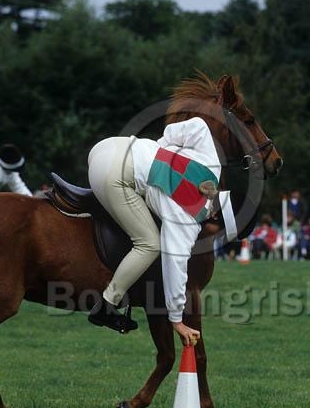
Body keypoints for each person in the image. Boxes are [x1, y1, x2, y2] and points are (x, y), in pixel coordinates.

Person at [87, 117, 238, 346]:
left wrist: (162, 146)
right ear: (216, 218)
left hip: (110, 145)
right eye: (218, 232)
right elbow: (175, 265)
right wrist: (177, 320)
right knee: (149, 244)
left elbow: (197, 126)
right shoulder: (187, 220)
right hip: (111, 174)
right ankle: (106, 306)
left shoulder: (212, 166)